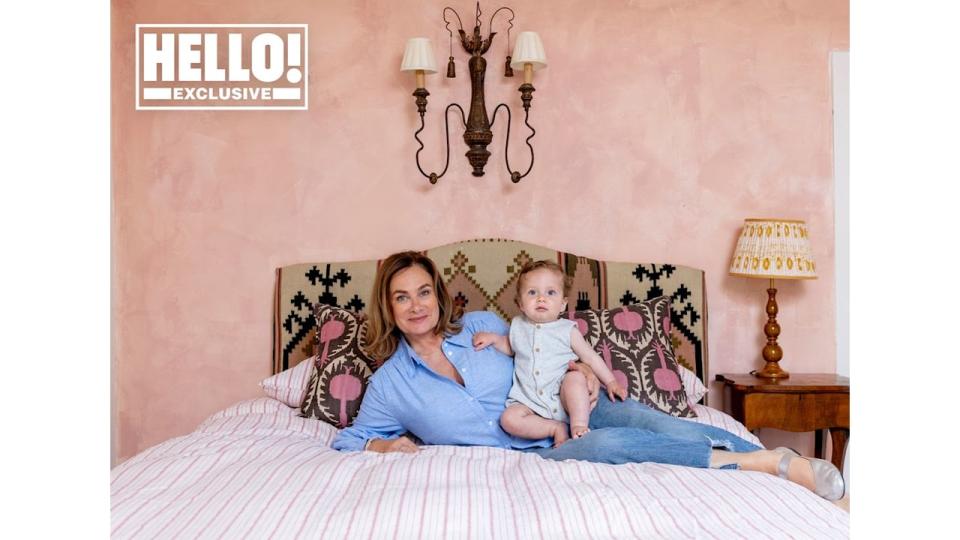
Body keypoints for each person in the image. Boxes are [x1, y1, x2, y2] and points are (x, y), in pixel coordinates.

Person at [331, 251, 845, 501]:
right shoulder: (391, 385)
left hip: (576, 406)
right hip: (543, 443)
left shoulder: (484, 327)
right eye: (402, 296)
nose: (416, 305)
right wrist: (380, 447)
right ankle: (764, 462)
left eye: (423, 292)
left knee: (649, 419)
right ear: (388, 306)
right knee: (613, 445)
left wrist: (584, 372)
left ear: (438, 295)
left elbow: (543, 347)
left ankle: (750, 447)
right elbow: (349, 438)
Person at [472, 260, 627, 445]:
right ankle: (555, 428)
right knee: (508, 419)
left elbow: (590, 357)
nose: (541, 298)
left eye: (550, 292)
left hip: (562, 394)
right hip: (528, 400)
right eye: (532, 292)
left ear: (563, 304)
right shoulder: (517, 326)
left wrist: (610, 381)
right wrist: (493, 339)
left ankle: (578, 425)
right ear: (520, 303)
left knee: (575, 379)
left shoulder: (567, 330)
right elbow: (511, 347)